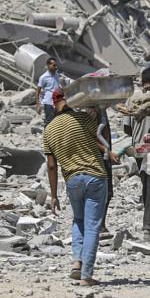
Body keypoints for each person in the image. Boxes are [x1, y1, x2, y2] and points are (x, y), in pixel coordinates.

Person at [44, 90, 115, 285]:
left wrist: (53, 196)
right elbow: (104, 142)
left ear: (53, 105)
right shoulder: (83, 118)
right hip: (95, 177)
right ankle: (86, 275)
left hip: (72, 180)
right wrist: (101, 114)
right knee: (92, 226)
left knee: (78, 221)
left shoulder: (49, 130)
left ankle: (77, 262)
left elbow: (51, 165)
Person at [125, 67, 150, 239]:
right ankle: (149, 227)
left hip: (138, 149)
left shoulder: (132, 97)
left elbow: (127, 128)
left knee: (146, 185)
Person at [36, 57, 66, 124]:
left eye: (56, 65)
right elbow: (38, 91)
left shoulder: (57, 76)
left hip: (57, 102)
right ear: (48, 65)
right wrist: (38, 104)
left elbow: (58, 88)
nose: (56, 67)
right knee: (49, 121)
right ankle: (47, 134)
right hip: (48, 102)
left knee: (58, 121)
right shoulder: (43, 77)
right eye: (54, 65)